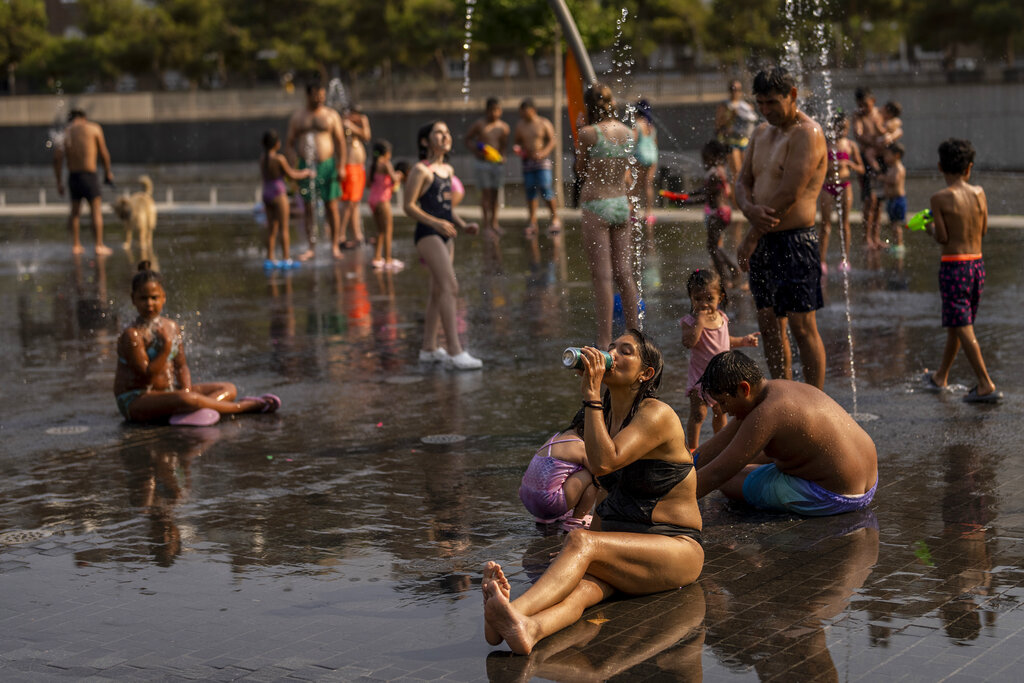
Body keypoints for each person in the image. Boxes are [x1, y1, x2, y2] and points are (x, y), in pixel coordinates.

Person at [482, 330, 704, 655]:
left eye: (625, 351)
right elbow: (604, 494)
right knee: (582, 588)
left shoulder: (656, 414)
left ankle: (513, 610)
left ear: (646, 374)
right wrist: (577, 556)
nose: (613, 353)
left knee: (580, 541)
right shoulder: (605, 415)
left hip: (676, 548)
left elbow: (603, 464)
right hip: (625, 546)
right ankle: (526, 629)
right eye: (612, 347)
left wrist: (591, 393)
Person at [693, 350, 878, 516]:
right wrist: (683, 464)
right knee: (746, 458)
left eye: (723, 402)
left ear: (744, 389)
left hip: (833, 496)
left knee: (728, 479)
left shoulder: (767, 413)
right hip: (868, 483)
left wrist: (670, 500)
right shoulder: (775, 390)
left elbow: (718, 473)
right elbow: (720, 442)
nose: (723, 411)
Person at [736, 66, 828, 389]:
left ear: (792, 95)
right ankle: (784, 396)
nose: (766, 110)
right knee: (769, 324)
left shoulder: (808, 133)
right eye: (761, 103)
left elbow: (790, 192)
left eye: (772, 102)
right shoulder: (762, 133)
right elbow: (742, 181)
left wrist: (750, 235)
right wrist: (748, 209)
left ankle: (816, 403)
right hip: (764, 242)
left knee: (803, 327)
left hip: (795, 241)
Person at [113, 262, 281, 423]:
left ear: (164, 298)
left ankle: (191, 408)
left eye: (154, 297)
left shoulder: (171, 327)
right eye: (143, 298)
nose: (149, 303)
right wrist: (165, 348)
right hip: (137, 399)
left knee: (228, 388)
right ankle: (241, 407)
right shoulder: (132, 335)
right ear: (133, 299)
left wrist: (185, 388)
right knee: (188, 399)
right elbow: (147, 376)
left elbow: (181, 366)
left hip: (169, 393)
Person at [924, 138, 1001, 403]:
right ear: (969, 168)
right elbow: (983, 229)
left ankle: (985, 383)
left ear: (939, 167)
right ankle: (940, 376)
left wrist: (928, 227)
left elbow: (942, 238)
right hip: (977, 265)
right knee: (958, 325)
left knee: (962, 325)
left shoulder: (939, 198)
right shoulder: (979, 193)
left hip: (954, 266)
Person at [403, 121, 483, 370]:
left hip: (445, 233)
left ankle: (428, 347)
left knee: (438, 291)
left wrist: (461, 223)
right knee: (450, 286)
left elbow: (446, 209)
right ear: (425, 141)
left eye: (447, 132)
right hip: (428, 234)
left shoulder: (447, 170)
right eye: (438, 132)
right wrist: (436, 223)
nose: (445, 136)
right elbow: (408, 206)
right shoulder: (421, 170)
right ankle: (454, 350)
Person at [576, 83, 641, 349]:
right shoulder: (630, 133)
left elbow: (580, 170)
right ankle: (636, 334)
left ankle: (604, 340)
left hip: (596, 204)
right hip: (620, 205)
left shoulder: (588, 134)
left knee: (602, 277)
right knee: (624, 273)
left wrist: (580, 130)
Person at [680, 269, 759, 451]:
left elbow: (725, 340)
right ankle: (692, 449)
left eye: (710, 299)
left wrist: (743, 341)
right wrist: (699, 322)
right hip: (700, 378)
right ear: (691, 298)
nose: (704, 304)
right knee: (698, 414)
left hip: (720, 378)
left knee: (720, 411)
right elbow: (689, 343)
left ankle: (720, 445)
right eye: (698, 299)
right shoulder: (689, 321)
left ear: (720, 297)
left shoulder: (722, 318)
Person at [285, 78, 347, 261]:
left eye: (322, 96)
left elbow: (340, 142)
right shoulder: (298, 117)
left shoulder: (331, 115)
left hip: (327, 165)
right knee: (309, 207)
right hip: (306, 165)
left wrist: (341, 166)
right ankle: (311, 247)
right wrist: (294, 167)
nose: (320, 99)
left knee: (331, 206)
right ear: (308, 95)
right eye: (316, 96)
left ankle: (335, 245)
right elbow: (289, 144)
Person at [518, 408, 597, 525]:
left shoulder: (556, 438)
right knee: (593, 476)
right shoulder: (579, 445)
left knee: (565, 473)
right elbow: (601, 472)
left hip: (528, 499)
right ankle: (577, 521)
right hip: (547, 504)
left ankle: (550, 517)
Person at [53, 109, 114, 255]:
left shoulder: (65, 132)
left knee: (75, 212)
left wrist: (59, 182)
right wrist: (108, 172)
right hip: (89, 175)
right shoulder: (94, 128)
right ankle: (98, 245)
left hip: (73, 176)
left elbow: (57, 159)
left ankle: (76, 245)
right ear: (84, 118)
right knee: (96, 211)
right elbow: (104, 153)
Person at [817, 113, 865, 273]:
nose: (844, 131)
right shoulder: (825, 144)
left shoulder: (850, 145)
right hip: (827, 186)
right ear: (833, 127)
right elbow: (818, 168)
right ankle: (821, 260)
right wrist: (829, 168)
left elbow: (862, 169)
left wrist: (849, 164)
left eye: (846, 128)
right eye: (841, 128)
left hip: (845, 186)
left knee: (844, 224)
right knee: (825, 225)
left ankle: (845, 259)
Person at [260, 129, 314, 268]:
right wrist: (306, 173)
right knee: (284, 228)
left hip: (266, 194)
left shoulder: (263, 159)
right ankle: (286, 259)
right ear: (277, 144)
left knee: (271, 228)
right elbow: (292, 175)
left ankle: (269, 259)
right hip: (278, 194)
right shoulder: (279, 159)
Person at [694, 140, 742, 288]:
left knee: (712, 247)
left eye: (706, 158)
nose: (704, 162)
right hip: (721, 212)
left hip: (718, 214)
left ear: (715, 157)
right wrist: (684, 197)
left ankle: (725, 277)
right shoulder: (719, 171)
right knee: (714, 246)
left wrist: (686, 201)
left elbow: (705, 195)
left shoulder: (714, 174)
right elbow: (703, 192)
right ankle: (732, 271)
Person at [512, 98, 561, 238]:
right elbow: (517, 142)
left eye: (524, 111)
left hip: (542, 161)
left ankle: (554, 218)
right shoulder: (520, 125)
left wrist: (544, 152)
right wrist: (519, 150)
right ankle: (532, 222)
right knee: (530, 190)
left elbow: (553, 140)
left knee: (546, 188)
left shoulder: (543, 123)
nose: (522, 114)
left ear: (532, 110)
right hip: (528, 161)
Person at [464, 97, 510, 240]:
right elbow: (467, 139)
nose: (495, 113)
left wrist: (503, 156)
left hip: (496, 163)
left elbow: (503, 145)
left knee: (496, 194)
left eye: (497, 110)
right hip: (482, 163)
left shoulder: (503, 127)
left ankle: (494, 223)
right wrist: (476, 152)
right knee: (486, 193)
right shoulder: (480, 125)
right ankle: (486, 225)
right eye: (492, 110)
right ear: (487, 111)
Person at [715, 79, 759, 203]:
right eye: (733, 89)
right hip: (730, 142)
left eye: (738, 90)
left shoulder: (744, 106)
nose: (736, 92)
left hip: (743, 141)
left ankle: (744, 199)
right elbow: (718, 125)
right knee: (737, 173)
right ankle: (737, 202)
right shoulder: (724, 106)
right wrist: (730, 116)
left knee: (746, 172)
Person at [852, 87, 885, 250]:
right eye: (860, 105)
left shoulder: (879, 114)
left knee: (879, 201)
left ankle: (876, 237)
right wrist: (875, 142)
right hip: (867, 159)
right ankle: (866, 238)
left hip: (881, 159)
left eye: (866, 104)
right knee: (869, 200)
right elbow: (858, 134)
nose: (863, 108)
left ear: (873, 101)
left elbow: (892, 128)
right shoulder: (858, 116)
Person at [367, 140, 407, 271]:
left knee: (380, 230)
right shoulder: (385, 164)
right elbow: (394, 180)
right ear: (387, 153)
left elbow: (368, 184)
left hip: (372, 200)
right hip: (383, 200)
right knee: (388, 229)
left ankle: (377, 258)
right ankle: (388, 259)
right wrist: (399, 175)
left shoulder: (372, 166)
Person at [339, 106, 371, 249]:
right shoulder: (341, 123)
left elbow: (367, 136)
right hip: (349, 166)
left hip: (359, 166)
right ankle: (340, 236)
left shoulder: (356, 125)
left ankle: (357, 235)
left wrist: (359, 123)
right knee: (348, 203)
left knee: (355, 203)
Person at [632, 98, 659, 229]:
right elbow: (655, 143)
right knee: (648, 185)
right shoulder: (651, 126)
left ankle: (634, 213)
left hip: (641, 155)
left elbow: (633, 140)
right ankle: (649, 213)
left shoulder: (638, 124)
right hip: (652, 156)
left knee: (636, 185)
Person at [881, 142, 907, 252]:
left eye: (888, 155)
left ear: (896, 155)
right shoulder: (891, 167)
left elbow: (894, 181)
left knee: (897, 225)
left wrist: (883, 178)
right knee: (893, 224)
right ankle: (895, 243)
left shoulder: (899, 168)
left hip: (898, 200)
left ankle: (899, 245)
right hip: (892, 200)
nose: (885, 158)